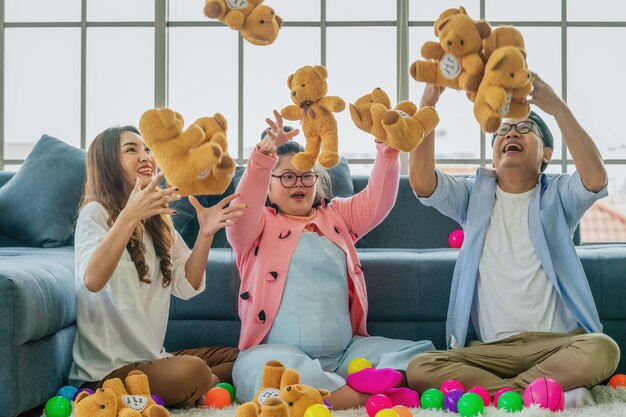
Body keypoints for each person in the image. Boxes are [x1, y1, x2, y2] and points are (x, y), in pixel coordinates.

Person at [406, 74, 620, 407]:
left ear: (546, 154)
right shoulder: (472, 196)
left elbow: (594, 178)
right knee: (421, 368)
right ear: (493, 156)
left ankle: (505, 394)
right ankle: (544, 391)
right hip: (492, 353)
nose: (511, 134)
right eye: (503, 131)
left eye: (524, 129)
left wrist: (555, 107)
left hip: (558, 345)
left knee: (604, 349)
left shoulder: (559, 195)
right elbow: (422, 183)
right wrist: (429, 103)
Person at [226, 111, 435, 409]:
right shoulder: (255, 228)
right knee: (268, 374)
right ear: (268, 187)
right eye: (287, 176)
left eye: (306, 174)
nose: (298, 182)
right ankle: (365, 395)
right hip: (279, 352)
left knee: (420, 355)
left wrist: (387, 150)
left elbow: (378, 201)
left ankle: (342, 391)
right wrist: (264, 157)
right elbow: (242, 211)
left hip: (347, 353)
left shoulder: (336, 215)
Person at [68, 125, 244, 408]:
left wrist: (206, 233)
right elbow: (92, 280)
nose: (145, 156)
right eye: (131, 150)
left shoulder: (158, 222)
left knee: (241, 358)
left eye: (146, 149)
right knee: (194, 371)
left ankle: (193, 387)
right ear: (108, 164)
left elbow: (187, 285)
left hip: (153, 359)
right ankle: (196, 386)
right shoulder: (95, 213)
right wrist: (129, 216)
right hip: (109, 374)